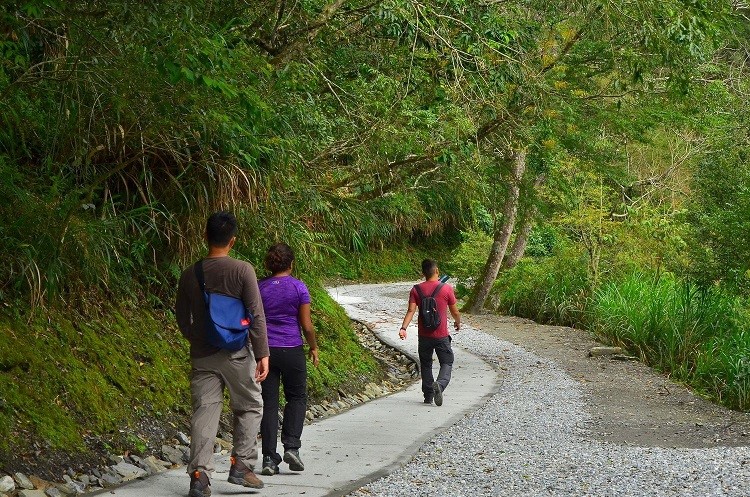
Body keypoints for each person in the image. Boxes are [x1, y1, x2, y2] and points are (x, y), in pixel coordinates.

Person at [175, 211, 270, 497]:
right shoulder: (243, 270)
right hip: (237, 352)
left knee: (205, 412)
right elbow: (255, 313)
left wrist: (195, 338)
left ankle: (200, 476)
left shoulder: (190, 273)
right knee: (250, 405)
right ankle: (241, 465)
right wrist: (263, 352)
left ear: (206, 237)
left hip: (203, 355)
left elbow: (181, 316)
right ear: (233, 240)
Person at [258, 242, 320, 476]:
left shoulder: (259, 286)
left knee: (269, 403)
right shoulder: (298, 287)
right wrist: (313, 347)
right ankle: (292, 446)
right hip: (292, 349)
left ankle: (268, 459)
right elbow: (307, 325)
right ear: (291, 264)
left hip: (266, 352)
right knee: (296, 397)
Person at [398, 259, 460, 406]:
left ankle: (428, 396)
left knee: (426, 364)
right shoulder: (446, 289)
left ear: (423, 273)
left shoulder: (416, 290)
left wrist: (403, 328)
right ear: (437, 271)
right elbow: (455, 311)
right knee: (447, 361)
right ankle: (440, 384)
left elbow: (411, 311)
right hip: (441, 335)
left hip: (424, 335)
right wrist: (457, 322)